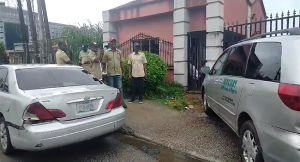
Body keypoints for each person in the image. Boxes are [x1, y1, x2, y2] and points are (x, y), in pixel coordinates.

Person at [102, 38, 127, 108]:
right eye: (112, 42)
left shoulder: (119, 52)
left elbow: (122, 62)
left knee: (119, 88)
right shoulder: (106, 52)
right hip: (110, 73)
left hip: (118, 73)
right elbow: (104, 63)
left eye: (115, 42)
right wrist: (103, 72)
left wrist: (123, 71)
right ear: (109, 43)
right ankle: (112, 103)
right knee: (112, 88)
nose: (114, 44)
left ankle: (122, 102)